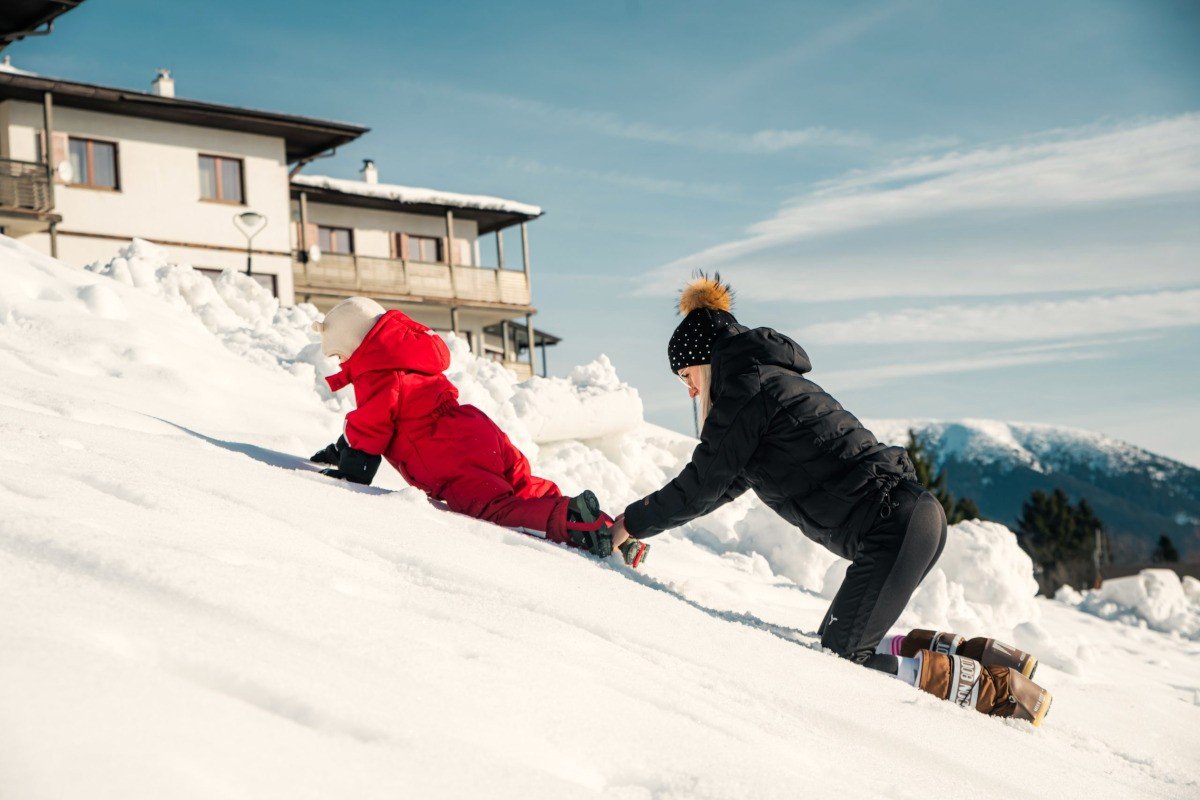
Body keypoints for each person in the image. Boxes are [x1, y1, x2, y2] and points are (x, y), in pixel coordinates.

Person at [606, 275, 1052, 725]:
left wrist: (628, 523)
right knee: (841, 636)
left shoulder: (746, 390)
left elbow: (701, 482)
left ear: (704, 362)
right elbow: (720, 484)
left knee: (845, 656)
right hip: (908, 519)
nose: (689, 391)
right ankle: (990, 657)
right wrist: (646, 521)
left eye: (686, 377)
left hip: (895, 527)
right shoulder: (765, 382)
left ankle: (998, 690)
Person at [309, 296, 648, 568]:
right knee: (525, 488)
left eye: (340, 355)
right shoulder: (407, 361)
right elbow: (371, 428)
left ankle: (573, 524)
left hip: (451, 457)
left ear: (355, 345)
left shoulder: (378, 375)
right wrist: (339, 451)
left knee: (495, 510)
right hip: (476, 431)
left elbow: (370, 431)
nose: (342, 365)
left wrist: (350, 478)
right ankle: (610, 530)